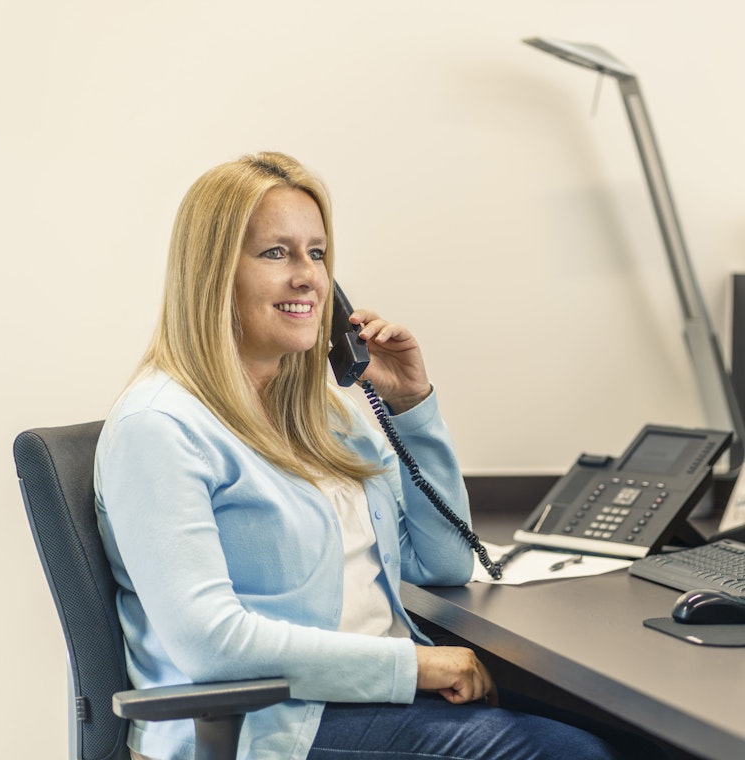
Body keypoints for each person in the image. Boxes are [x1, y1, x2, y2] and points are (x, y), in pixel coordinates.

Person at [94, 151, 642, 760]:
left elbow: (443, 563)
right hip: (270, 727)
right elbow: (210, 643)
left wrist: (411, 406)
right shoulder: (161, 427)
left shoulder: (324, 416)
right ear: (214, 273)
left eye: (318, 254)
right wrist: (414, 666)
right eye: (276, 253)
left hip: (363, 701)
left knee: (640, 735)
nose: (308, 277)